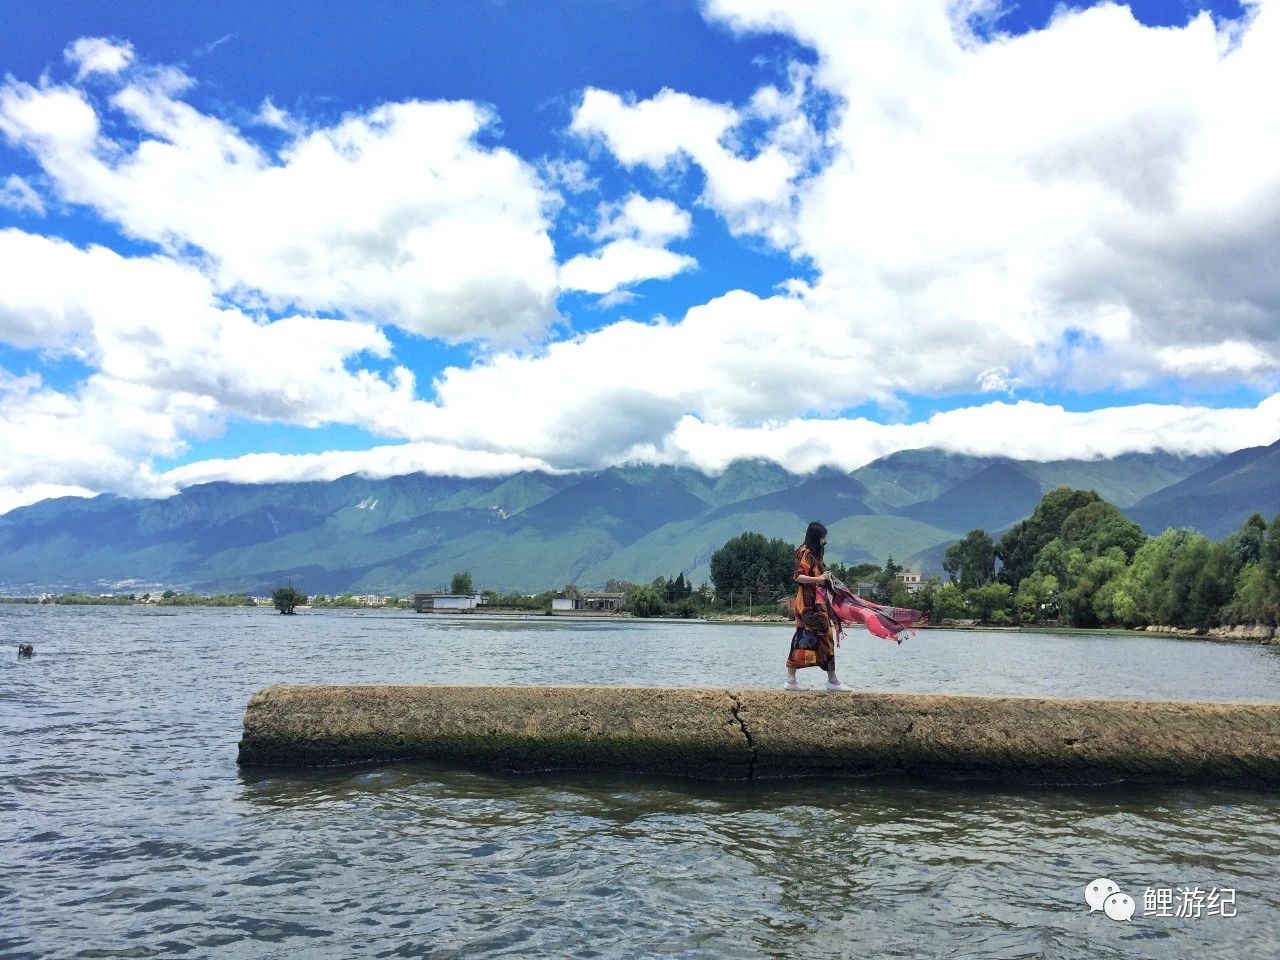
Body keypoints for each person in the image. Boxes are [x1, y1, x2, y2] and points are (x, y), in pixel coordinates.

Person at [785, 520, 853, 692]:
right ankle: (791, 681)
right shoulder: (805, 553)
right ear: (817, 538)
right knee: (802, 640)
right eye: (823, 538)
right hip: (807, 606)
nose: (825, 541)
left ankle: (831, 680)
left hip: (817, 605)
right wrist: (819, 580)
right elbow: (798, 577)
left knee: (826, 639)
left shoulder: (814, 554)